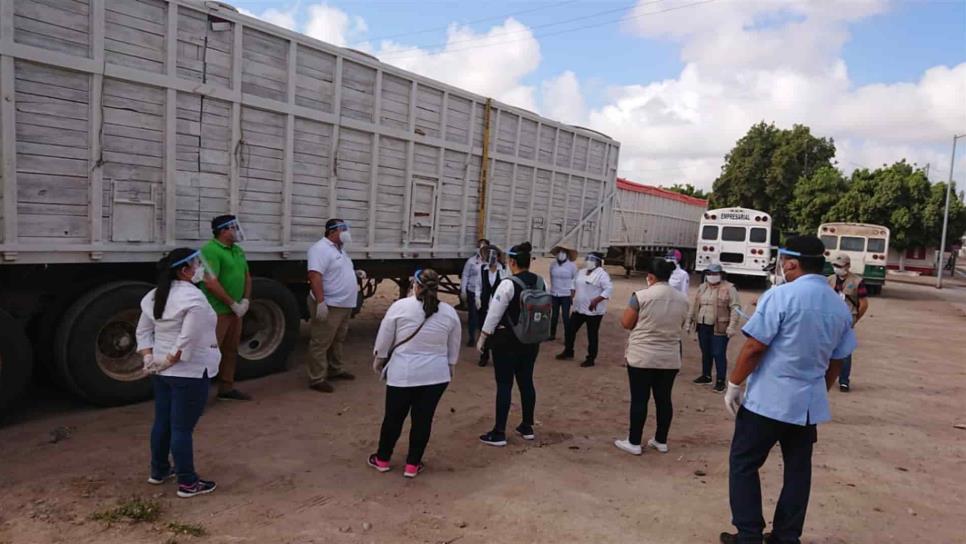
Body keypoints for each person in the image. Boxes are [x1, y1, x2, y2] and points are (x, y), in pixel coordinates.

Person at [718, 236, 856, 544]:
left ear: (792, 262)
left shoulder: (780, 296)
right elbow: (838, 359)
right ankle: (786, 536)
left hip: (768, 400)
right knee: (797, 471)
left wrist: (734, 384)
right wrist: (821, 389)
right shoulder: (838, 306)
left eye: (783, 262)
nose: (782, 267)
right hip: (807, 406)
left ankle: (749, 534)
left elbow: (755, 346)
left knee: (744, 463)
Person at [136, 248, 221, 498]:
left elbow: (143, 331)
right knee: (182, 428)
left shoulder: (154, 295)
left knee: (163, 422)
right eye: (196, 265)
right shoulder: (193, 299)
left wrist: (151, 359)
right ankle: (188, 483)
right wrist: (170, 360)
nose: (199, 269)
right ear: (184, 270)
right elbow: (188, 339)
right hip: (189, 372)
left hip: (162, 372)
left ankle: (159, 471)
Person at [368, 269, 460, 478]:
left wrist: (379, 359)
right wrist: (450, 366)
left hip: (403, 373)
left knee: (393, 418)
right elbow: (453, 347)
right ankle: (412, 464)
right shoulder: (449, 312)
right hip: (436, 375)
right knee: (423, 420)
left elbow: (384, 339)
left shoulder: (400, 307)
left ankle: (382, 458)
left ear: (415, 285)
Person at [614, 259, 689, 456]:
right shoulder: (682, 299)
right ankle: (661, 440)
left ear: (651, 277)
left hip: (642, 356)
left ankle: (634, 441)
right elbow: (680, 325)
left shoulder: (640, 296)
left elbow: (626, 323)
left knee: (640, 399)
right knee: (664, 399)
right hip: (670, 357)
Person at [477, 242, 543, 446]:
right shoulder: (541, 282)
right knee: (526, 381)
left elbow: (493, 314)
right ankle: (527, 426)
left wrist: (483, 338)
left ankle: (499, 432)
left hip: (507, 341)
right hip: (531, 340)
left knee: (504, 384)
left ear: (512, 262)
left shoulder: (507, 284)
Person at [200, 215, 252, 401]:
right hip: (217, 312)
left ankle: (226, 388)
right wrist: (232, 303)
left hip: (235, 312)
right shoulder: (210, 251)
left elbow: (246, 276)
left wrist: (245, 300)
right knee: (210, 352)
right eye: (234, 228)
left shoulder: (238, 250)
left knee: (231, 350)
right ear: (223, 230)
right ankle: (199, 395)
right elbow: (211, 283)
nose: (237, 231)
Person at [306, 219, 360, 393]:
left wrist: (354, 273)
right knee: (321, 341)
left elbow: (336, 271)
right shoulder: (319, 249)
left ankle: (335, 369)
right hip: (331, 303)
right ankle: (317, 378)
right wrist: (321, 302)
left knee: (338, 338)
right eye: (342, 229)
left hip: (344, 304)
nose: (346, 232)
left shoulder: (340, 250)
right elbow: (315, 276)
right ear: (332, 232)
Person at [689, 263, 742, 392]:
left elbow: (735, 308)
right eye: (709, 274)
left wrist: (732, 326)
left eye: (714, 274)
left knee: (718, 353)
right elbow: (695, 305)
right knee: (705, 351)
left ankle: (720, 380)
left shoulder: (729, 288)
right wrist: (689, 320)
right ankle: (706, 375)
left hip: (720, 326)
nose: (712, 276)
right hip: (703, 324)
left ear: (721, 275)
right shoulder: (703, 287)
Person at [557, 252, 613, 367]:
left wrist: (596, 300)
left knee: (592, 334)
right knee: (570, 330)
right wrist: (572, 294)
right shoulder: (581, 272)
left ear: (598, 262)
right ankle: (568, 351)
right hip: (579, 309)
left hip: (593, 311)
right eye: (588, 259)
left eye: (592, 259)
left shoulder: (602, 274)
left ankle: (590, 358)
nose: (589, 261)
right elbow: (573, 283)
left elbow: (608, 289)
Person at [828, 254, 869, 392]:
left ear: (847, 266)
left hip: (847, 318)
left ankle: (844, 380)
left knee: (845, 351)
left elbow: (863, 303)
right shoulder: (829, 280)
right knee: (827, 349)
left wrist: (855, 319)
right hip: (830, 318)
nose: (836, 268)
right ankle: (825, 377)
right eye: (835, 265)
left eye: (839, 266)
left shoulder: (857, 281)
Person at [477, 245, 508, 367]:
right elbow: (478, 285)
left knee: (497, 331)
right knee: (483, 328)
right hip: (484, 304)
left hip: (498, 304)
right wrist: (477, 298)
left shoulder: (503, 270)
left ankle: (498, 356)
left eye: (493, 256)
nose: (491, 259)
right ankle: (484, 355)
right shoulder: (482, 269)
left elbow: (506, 286)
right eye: (489, 255)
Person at [460, 239, 490, 347]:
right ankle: (472, 337)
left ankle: (483, 338)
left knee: (484, 316)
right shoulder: (471, 261)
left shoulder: (490, 263)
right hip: (472, 291)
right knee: (472, 315)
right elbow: (465, 275)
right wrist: (463, 290)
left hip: (484, 293)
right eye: (480, 247)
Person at [548, 245, 578, 341]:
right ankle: (552, 334)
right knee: (554, 316)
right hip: (554, 294)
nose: (561, 253)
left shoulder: (572, 266)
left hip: (566, 294)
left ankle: (567, 337)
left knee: (565, 317)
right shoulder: (553, 265)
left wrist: (573, 291)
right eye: (560, 251)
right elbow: (551, 278)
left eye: (564, 251)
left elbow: (575, 279)